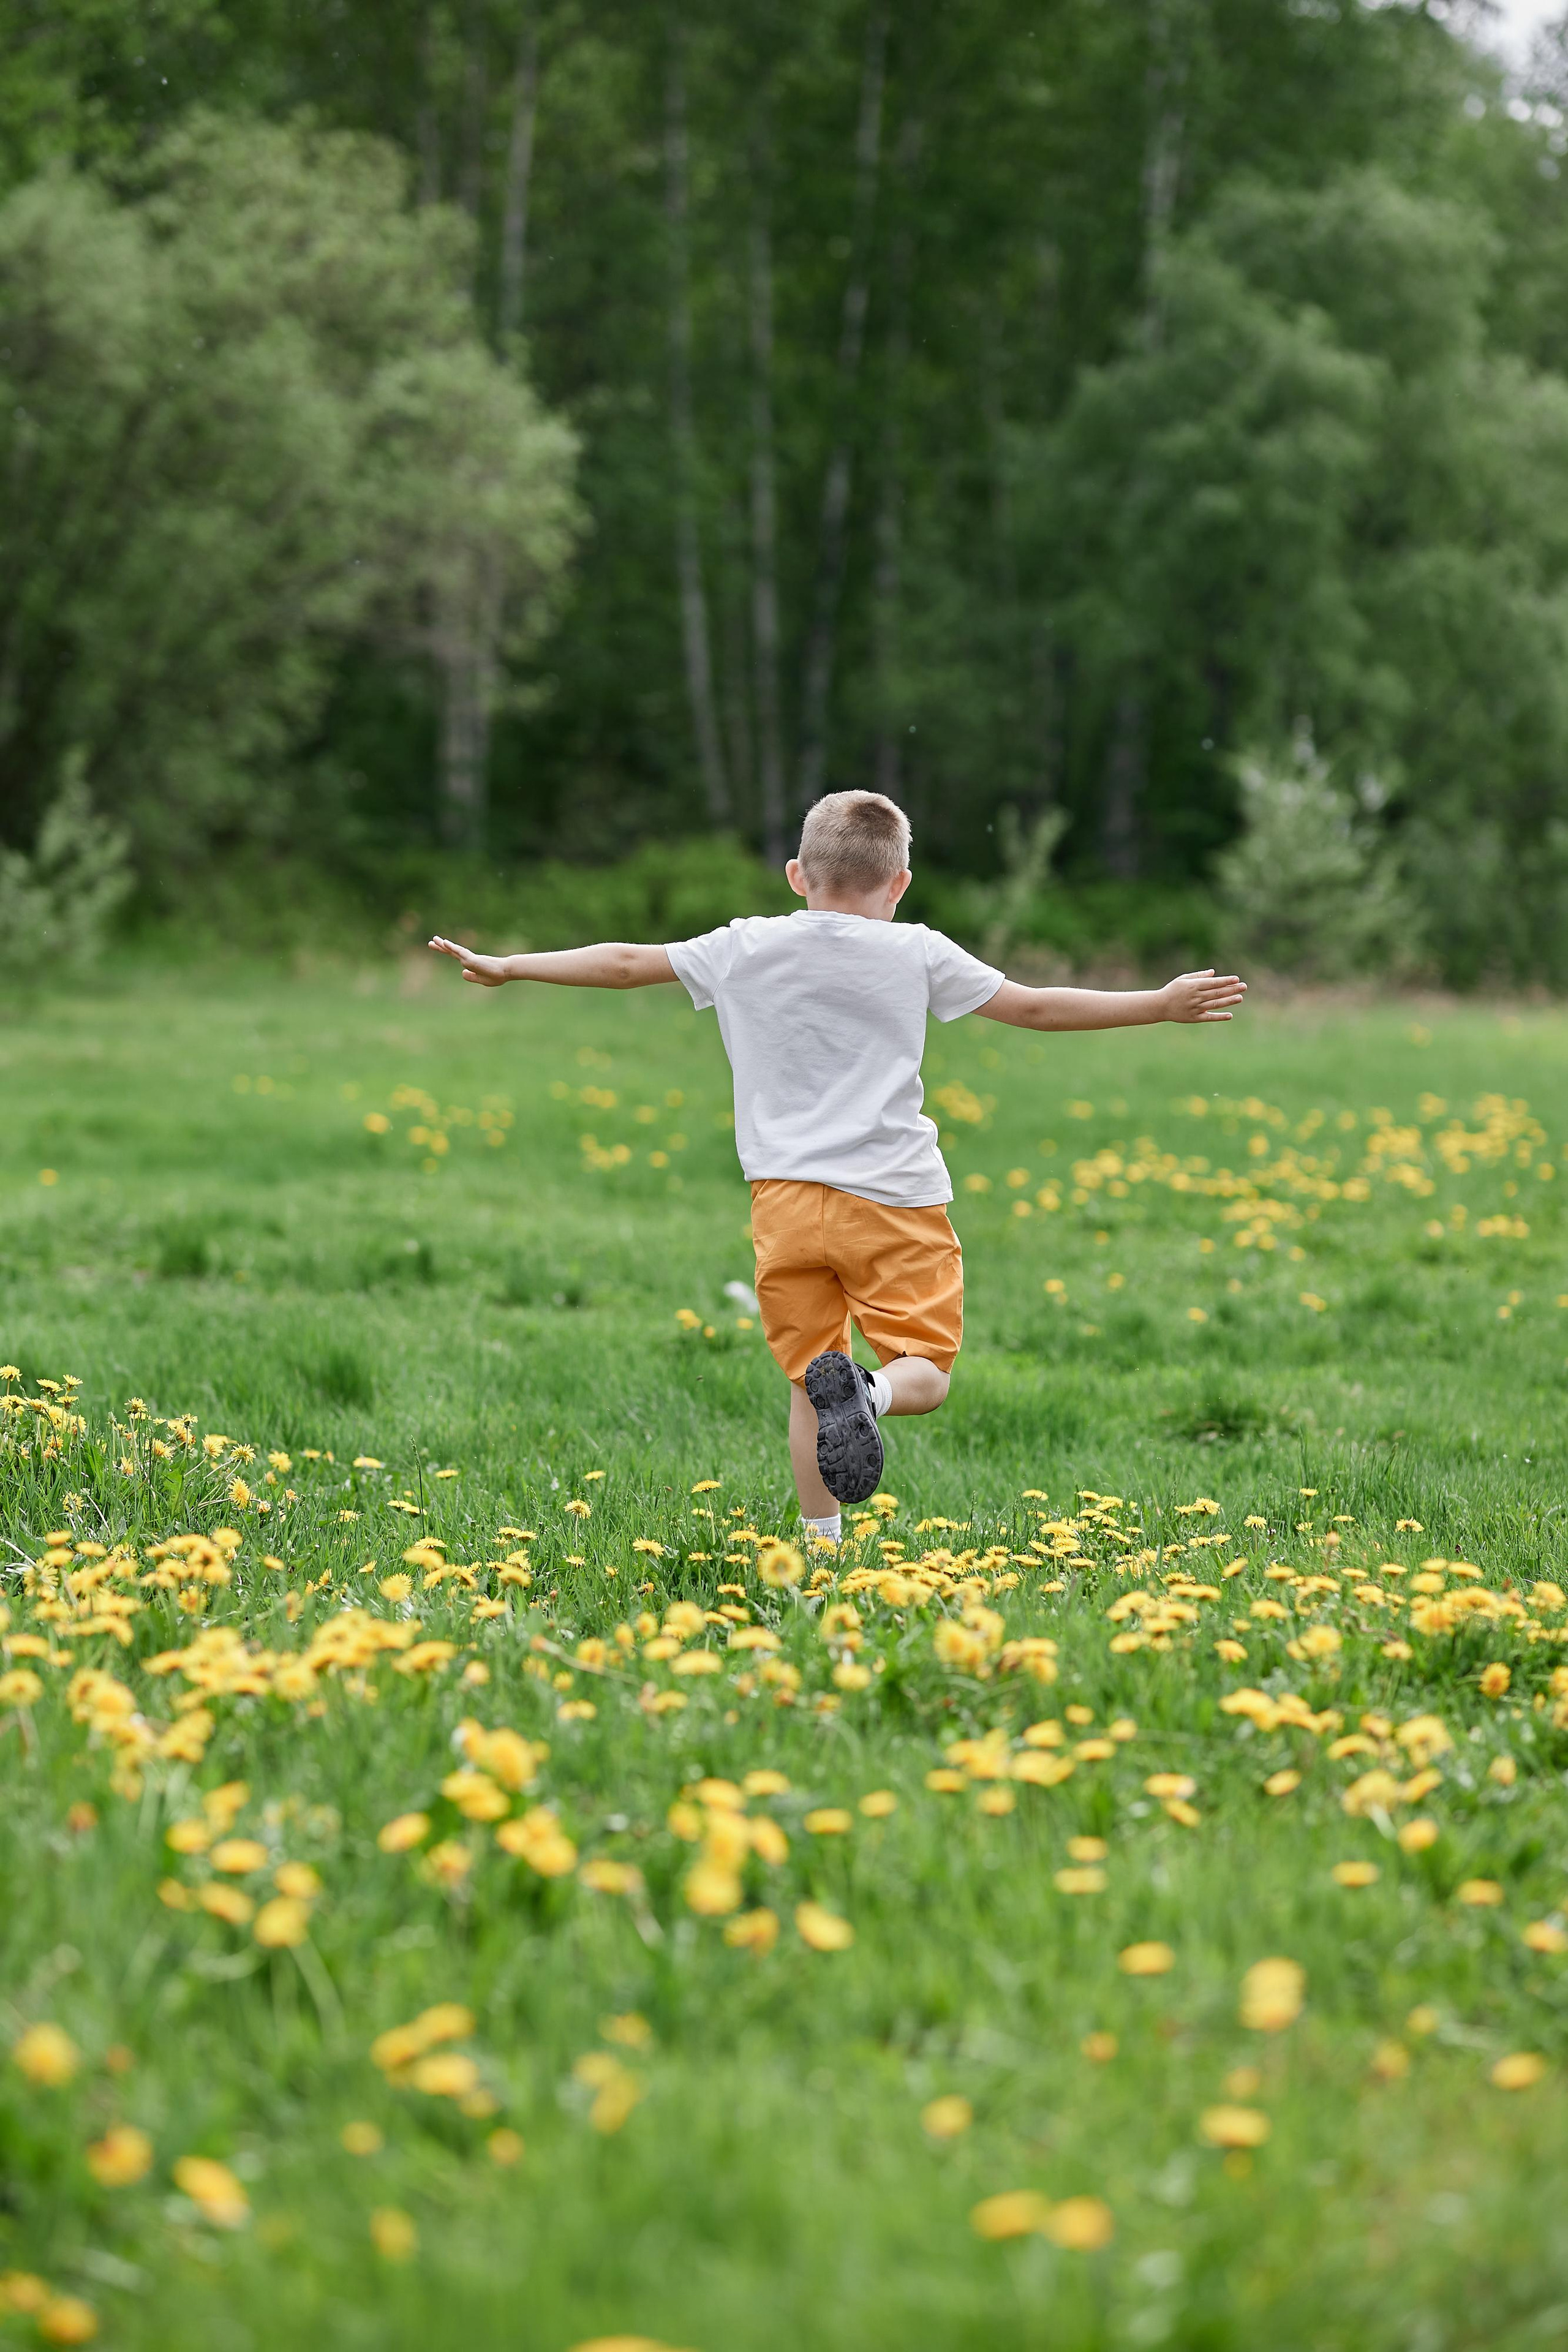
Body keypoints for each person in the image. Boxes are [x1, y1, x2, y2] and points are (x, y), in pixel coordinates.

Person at [430, 790, 1245, 1539]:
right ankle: (872, 1395)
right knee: (920, 1372)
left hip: (784, 1205)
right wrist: (1159, 1005)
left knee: (809, 1380)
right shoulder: (918, 951)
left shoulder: (745, 946)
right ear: (900, 884)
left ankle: (819, 1565)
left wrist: (512, 965)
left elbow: (621, 964)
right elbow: (1032, 1007)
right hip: (892, 1200)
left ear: (796, 875)